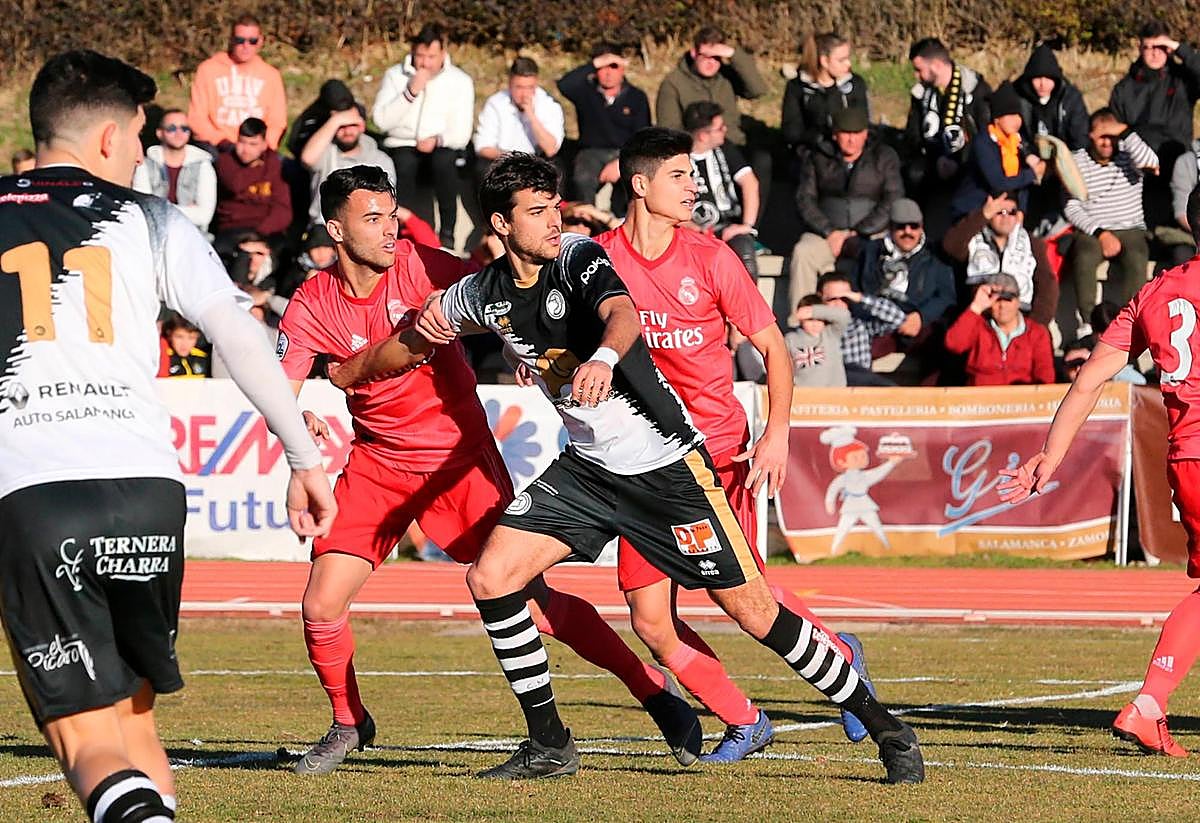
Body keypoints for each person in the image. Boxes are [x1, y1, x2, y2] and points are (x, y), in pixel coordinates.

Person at [408, 152, 924, 782]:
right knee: (492, 578)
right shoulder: (479, 295)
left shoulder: (578, 257)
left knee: (753, 611)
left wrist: (601, 357)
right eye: (537, 212)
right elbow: (416, 334)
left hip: (668, 467)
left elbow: (619, 313)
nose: (553, 220)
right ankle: (549, 741)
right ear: (500, 223)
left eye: (555, 207)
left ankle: (886, 728)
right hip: (588, 473)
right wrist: (351, 366)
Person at [0, 49, 335, 823]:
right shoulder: (149, 218)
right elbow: (239, 333)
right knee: (135, 719)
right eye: (145, 138)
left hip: (36, 493)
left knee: (84, 741)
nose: (147, 152)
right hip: (149, 492)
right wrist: (302, 455)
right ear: (112, 139)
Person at [277, 165, 700, 775]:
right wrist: (300, 430)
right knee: (320, 605)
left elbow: (505, 304)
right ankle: (349, 723)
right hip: (377, 463)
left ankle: (655, 694)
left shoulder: (430, 267)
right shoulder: (312, 301)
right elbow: (279, 389)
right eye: (372, 219)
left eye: (392, 214)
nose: (390, 228)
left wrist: (511, 346)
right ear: (335, 229)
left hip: (459, 460)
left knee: (532, 605)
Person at [597, 127, 884, 759]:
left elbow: (774, 347)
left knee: (740, 597)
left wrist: (777, 434)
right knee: (649, 621)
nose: (694, 185)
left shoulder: (712, 258)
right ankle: (745, 719)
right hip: (636, 464)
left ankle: (838, 658)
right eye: (680, 175)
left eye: (693, 174)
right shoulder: (598, 259)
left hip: (714, 453)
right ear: (640, 185)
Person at [998, 188, 1200, 756]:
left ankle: (1149, 704)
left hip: (1185, 456)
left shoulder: (1156, 291)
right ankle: (1147, 703)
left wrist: (1049, 456)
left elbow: (1089, 380)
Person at [373, 24, 476, 249]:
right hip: (402, 143)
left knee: (444, 163)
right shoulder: (394, 76)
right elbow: (381, 121)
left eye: (431, 56)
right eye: (420, 56)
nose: (425, 63)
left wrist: (437, 140)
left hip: (442, 144)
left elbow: (461, 131)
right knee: (404, 165)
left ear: (443, 55)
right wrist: (410, 93)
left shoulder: (460, 81)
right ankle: (402, 230)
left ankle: (447, 231)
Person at [788, 105, 902, 307]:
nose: (851, 139)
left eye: (857, 133)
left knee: (881, 252)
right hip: (826, 233)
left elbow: (893, 198)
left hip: (871, 232)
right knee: (803, 251)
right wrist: (829, 231)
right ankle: (801, 319)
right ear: (834, 134)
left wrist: (859, 232)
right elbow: (805, 199)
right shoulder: (817, 157)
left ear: (866, 133)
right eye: (845, 133)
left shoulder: (883, 156)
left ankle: (873, 316)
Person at [1060, 108, 1159, 342]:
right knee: (1083, 256)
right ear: (1091, 135)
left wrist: (1125, 132)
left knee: (1136, 256)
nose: (1107, 142)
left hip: (1130, 227)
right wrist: (1100, 233)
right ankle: (1088, 322)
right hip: (1093, 229)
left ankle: (1131, 325)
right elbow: (1071, 206)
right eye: (1102, 135)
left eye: (1112, 135)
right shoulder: (1077, 161)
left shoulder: (1129, 156)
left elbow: (1152, 162)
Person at [655, 26, 770, 214]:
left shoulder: (727, 77)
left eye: (717, 58)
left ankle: (752, 227)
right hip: (697, 150)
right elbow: (668, 127)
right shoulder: (673, 83)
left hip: (732, 143)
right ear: (694, 53)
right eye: (706, 56)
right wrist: (699, 142)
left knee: (762, 161)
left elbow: (758, 90)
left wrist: (733, 54)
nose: (711, 63)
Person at [1109, 19, 1200, 229]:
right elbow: (1116, 127)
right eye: (1148, 47)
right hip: (1139, 171)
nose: (1154, 53)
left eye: (1160, 47)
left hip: (1177, 167)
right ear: (1140, 48)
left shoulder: (1183, 80)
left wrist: (1181, 49)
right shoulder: (1124, 88)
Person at [852, 198, 955, 380]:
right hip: (881, 323)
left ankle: (930, 404)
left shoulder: (935, 253)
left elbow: (946, 296)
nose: (907, 232)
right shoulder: (871, 251)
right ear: (890, 227)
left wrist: (921, 317)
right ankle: (857, 401)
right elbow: (858, 290)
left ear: (921, 226)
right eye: (901, 227)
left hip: (919, 322)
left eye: (913, 226)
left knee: (941, 345)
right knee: (850, 347)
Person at [905, 37, 992, 237]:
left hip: (969, 164)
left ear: (936, 65)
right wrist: (937, 159)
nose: (916, 75)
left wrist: (959, 160)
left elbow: (986, 134)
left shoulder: (975, 90)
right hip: (934, 167)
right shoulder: (921, 95)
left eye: (919, 69)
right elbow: (914, 136)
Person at [557, 42, 651, 210]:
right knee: (582, 178)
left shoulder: (637, 97)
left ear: (622, 69)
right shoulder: (586, 92)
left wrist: (621, 162)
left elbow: (642, 135)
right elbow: (564, 85)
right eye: (602, 67)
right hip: (591, 151)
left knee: (632, 179)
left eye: (613, 66)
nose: (608, 73)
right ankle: (588, 221)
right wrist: (594, 63)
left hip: (625, 151)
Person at [942, 193, 1058, 326]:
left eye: (1011, 212)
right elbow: (950, 246)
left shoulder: (1032, 244)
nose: (1006, 216)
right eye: (999, 212)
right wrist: (983, 215)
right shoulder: (973, 239)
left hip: (1021, 321)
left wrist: (1033, 326)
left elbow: (1047, 285)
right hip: (980, 319)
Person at [1014, 42, 1090, 233]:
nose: (1042, 84)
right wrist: (1028, 154)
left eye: (1048, 78)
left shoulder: (1070, 97)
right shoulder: (1018, 96)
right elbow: (1015, 133)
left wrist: (1056, 163)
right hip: (1030, 164)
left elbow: (1080, 138)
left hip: (1062, 165)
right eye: (1037, 78)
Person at [683, 102, 761, 279]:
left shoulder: (726, 149)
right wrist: (688, 226)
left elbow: (750, 183)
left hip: (728, 227)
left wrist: (746, 226)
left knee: (745, 256)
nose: (725, 130)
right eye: (719, 128)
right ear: (703, 135)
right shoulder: (678, 157)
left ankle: (747, 306)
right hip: (689, 230)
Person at [187, 13, 287, 150]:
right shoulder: (208, 69)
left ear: (261, 41)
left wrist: (263, 147)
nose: (246, 46)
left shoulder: (271, 75)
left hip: (256, 147)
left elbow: (277, 121)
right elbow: (197, 118)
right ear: (231, 40)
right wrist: (223, 143)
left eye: (252, 41)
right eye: (240, 40)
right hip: (218, 145)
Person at [950, 81, 1046, 221]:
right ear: (997, 119)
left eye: (1018, 115)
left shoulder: (1017, 142)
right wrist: (1033, 173)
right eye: (1011, 115)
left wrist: (1021, 210)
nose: (1016, 121)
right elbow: (998, 182)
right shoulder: (983, 143)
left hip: (1004, 213)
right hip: (972, 210)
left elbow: (1021, 183)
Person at [299, 100, 396, 227]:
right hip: (323, 225)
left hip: (368, 226)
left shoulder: (381, 160)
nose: (347, 131)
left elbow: (388, 202)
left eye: (352, 124)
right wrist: (335, 120)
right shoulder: (325, 152)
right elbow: (307, 159)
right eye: (341, 125)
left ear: (362, 125)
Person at [944, 275, 1055, 385]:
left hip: (1021, 399)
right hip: (981, 398)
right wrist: (976, 306)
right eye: (997, 300)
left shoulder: (1037, 332)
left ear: (1018, 301)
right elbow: (954, 344)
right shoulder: (978, 327)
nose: (1002, 305)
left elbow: (1045, 376)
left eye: (1008, 299)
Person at [781, 31, 870, 157]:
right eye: (841, 60)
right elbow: (791, 131)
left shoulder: (855, 84)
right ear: (824, 61)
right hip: (811, 153)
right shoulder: (798, 87)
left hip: (850, 153)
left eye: (848, 58)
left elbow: (864, 123)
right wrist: (818, 140)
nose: (848, 64)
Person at [212, 117, 292, 252]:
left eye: (253, 144)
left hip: (266, 230)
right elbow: (235, 184)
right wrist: (256, 168)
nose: (246, 150)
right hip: (232, 228)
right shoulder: (226, 161)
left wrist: (260, 233)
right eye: (242, 142)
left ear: (264, 145)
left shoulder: (274, 164)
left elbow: (282, 209)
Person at [132, 109, 217, 234]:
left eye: (184, 128)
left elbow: (204, 216)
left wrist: (160, 208)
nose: (179, 133)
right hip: (153, 235)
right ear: (160, 133)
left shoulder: (203, 165)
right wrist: (189, 211)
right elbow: (144, 209)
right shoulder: (145, 164)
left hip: (193, 236)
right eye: (171, 128)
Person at [817, 270, 906, 386]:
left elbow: (898, 318)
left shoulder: (861, 324)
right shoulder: (810, 329)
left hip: (860, 385)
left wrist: (860, 298)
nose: (839, 304)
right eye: (832, 299)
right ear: (820, 299)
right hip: (826, 387)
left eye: (844, 299)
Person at [475, 57, 564, 161]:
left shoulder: (549, 105)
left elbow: (551, 149)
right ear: (509, 84)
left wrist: (531, 115)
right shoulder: (496, 103)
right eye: (519, 87)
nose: (524, 94)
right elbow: (483, 146)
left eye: (530, 87)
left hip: (538, 160)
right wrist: (512, 158)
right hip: (504, 160)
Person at [786, 295, 851, 386]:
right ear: (801, 320)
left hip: (834, 394)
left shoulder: (831, 334)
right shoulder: (791, 339)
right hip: (803, 394)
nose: (815, 323)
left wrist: (813, 311)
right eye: (810, 320)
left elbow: (845, 316)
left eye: (819, 319)